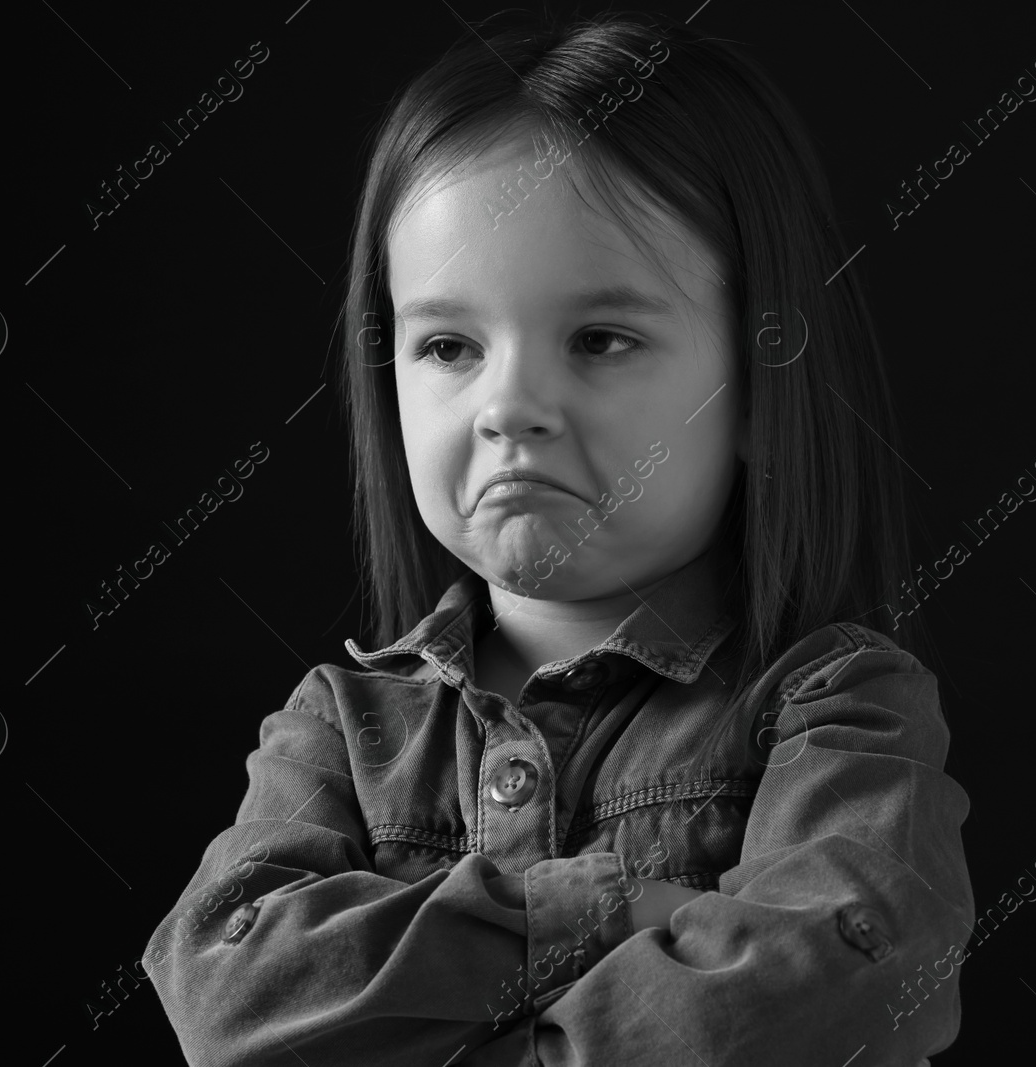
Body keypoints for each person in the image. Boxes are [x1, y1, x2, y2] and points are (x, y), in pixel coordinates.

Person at [143, 10, 974, 1065]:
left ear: (762, 386)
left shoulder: (837, 711)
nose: (510, 404)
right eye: (447, 344)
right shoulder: (339, 730)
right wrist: (610, 908)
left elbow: (847, 978)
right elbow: (226, 989)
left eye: (599, 339)